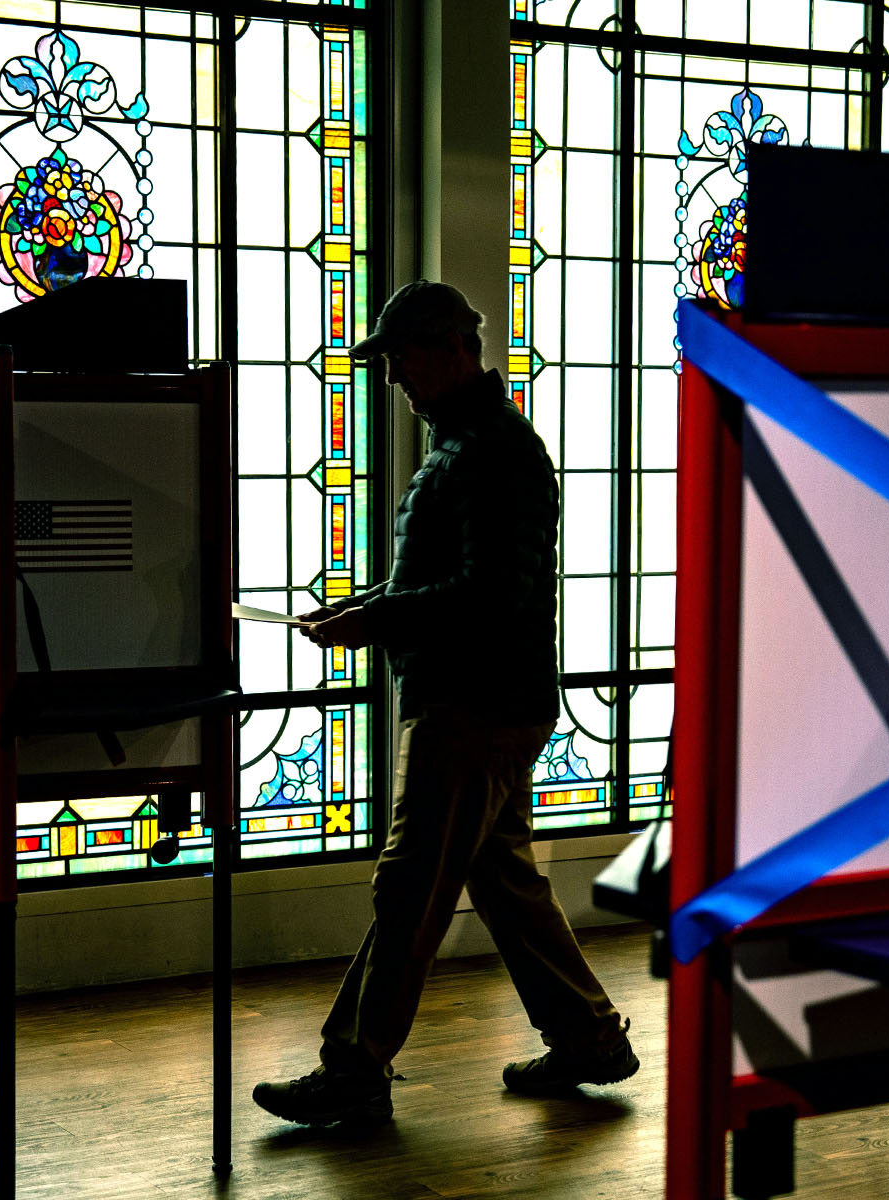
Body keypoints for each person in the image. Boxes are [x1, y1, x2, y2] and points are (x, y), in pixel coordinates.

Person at [251, 280, 637, 1127]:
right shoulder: (468, 447)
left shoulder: (494, 452)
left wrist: (377, 615)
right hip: (484, 702)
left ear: (453, 349)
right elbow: (454, 582)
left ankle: (354, 1070)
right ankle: (590, 1040)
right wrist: (371, 609)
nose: (392, 378)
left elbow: (491, 593)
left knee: (410, 886)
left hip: (476, 707)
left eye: (401, 358)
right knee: (503, 884)